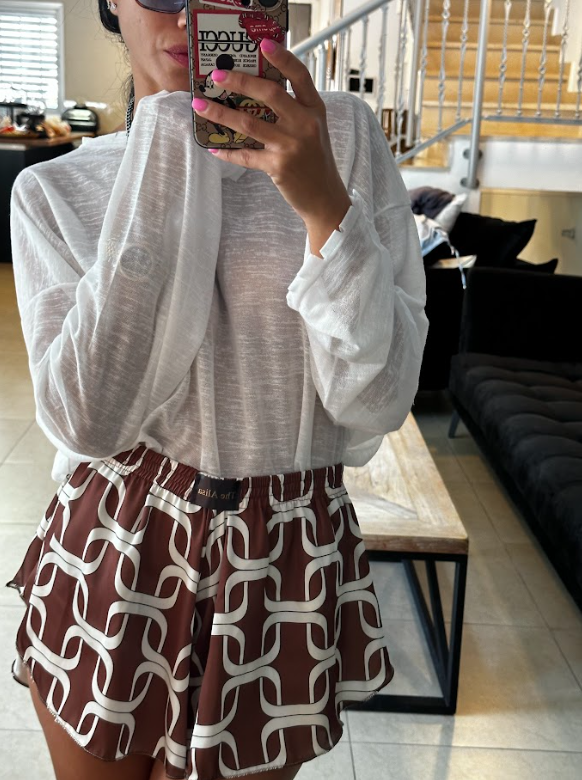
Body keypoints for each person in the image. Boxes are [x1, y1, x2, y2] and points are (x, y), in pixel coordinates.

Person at [5, 1, 428, 780]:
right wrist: (170, 135)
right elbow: (91, 420)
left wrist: (324, 206)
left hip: (283, 552)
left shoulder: (343, 142)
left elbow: (377, 401)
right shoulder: (54, 189)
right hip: (119, 540)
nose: (196, 13)